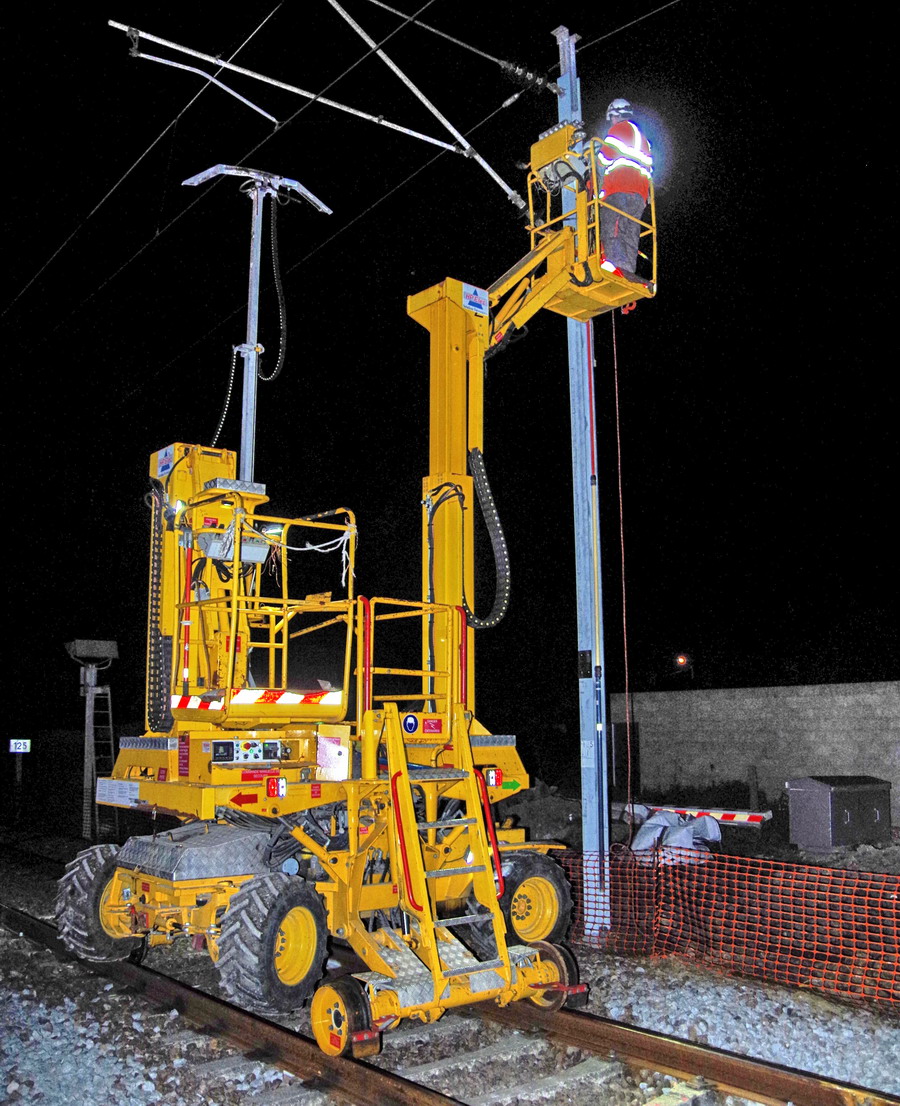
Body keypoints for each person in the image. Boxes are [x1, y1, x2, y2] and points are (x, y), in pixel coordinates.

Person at [596, 99, 653, 281]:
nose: (611, 121)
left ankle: (614, 265)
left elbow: (603, 159)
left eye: (612, 117)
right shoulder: (644, 140)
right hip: (640, 196)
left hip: (619, 189)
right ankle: (627, 269)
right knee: (630, 232)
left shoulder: (618, 129)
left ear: (616, 114)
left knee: (613, 227)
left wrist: (593, 156)